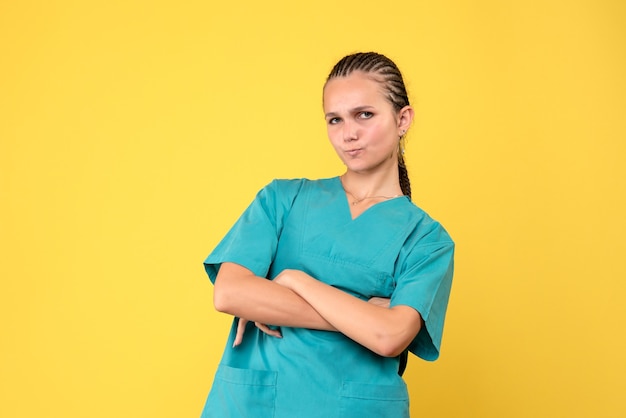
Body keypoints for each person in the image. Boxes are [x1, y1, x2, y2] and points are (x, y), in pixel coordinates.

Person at [201, 52, 455, 418]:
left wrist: (293, 281)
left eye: (364, 115)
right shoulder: (282, 199)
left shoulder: (426, 239)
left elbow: (388, 337)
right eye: (334, 119)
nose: (348, 133)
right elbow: (229, 293)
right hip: (253, 405)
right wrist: (361, 314)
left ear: (403, 119)